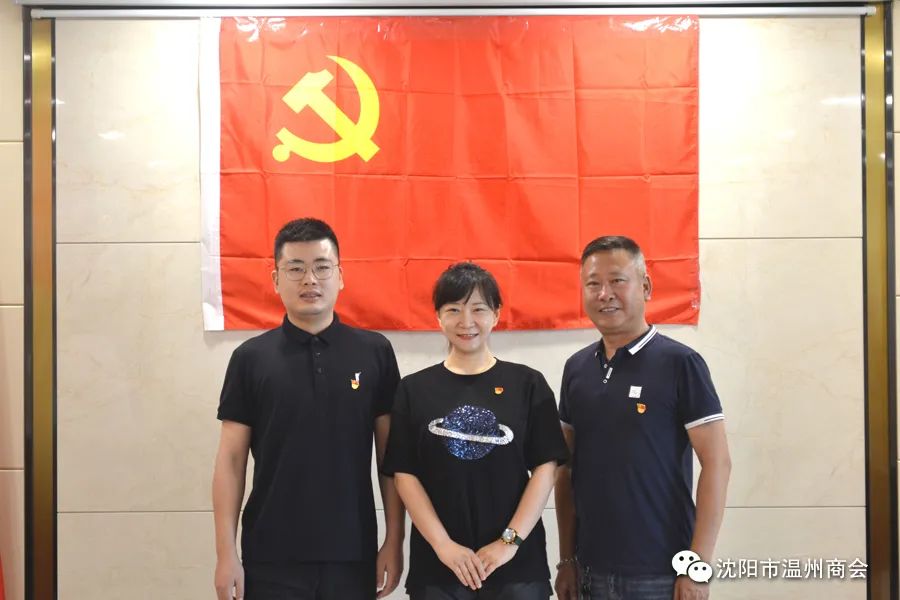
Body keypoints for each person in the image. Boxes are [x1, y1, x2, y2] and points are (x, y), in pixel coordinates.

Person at [212, 218, 405, 600]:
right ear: (275, 279)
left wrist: (394, 541)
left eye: (321, 267)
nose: (310, 280)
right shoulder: (250, 358)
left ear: (340, 276)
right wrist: (225, 554)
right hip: (269, 555)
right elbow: (231, 462)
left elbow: (391, 459)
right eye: (295, 269)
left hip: (353, 553)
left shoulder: (375, 352)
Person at [554, 236, 732, 600]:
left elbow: (718, 463)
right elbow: (565, 469)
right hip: (590, 570)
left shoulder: (681, 364)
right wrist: (567, 559)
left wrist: (697, 566)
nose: (605, 294)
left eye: (617, 280)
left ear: (646, 287)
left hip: (661, 572)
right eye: (593, 284)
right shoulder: (576, 369)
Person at [383, 262, 569, 600]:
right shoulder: (413, 389)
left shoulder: (528, 384)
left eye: (478, 309)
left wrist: (508, 542)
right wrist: (444, 546)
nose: (466, 321)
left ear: (496, 314)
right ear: (438, 316)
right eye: (453, 309)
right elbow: (405, 474)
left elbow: (546, 467)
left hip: (516, 568)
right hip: (439, 569)